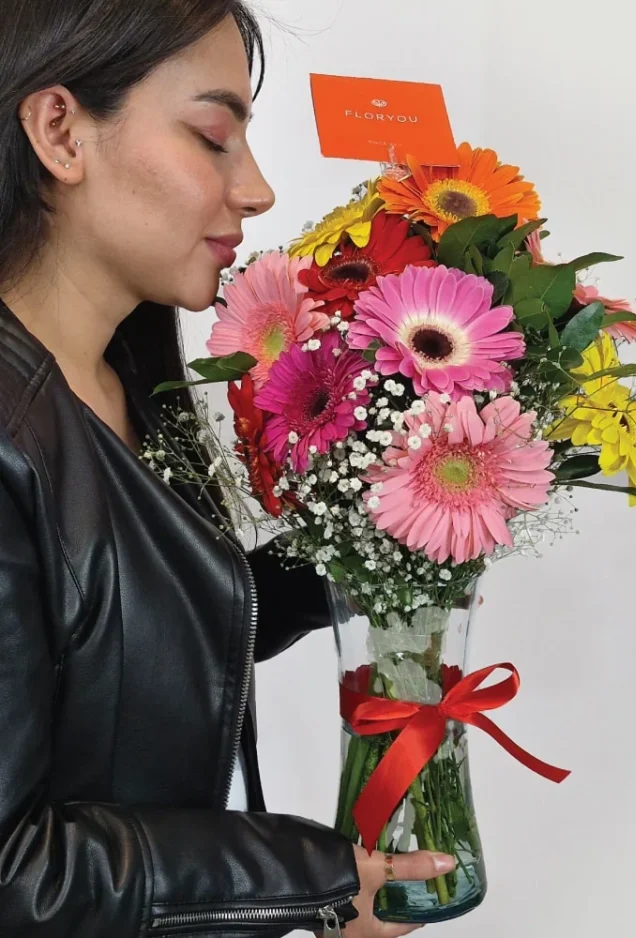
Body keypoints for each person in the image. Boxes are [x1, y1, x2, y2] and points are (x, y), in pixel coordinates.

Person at [0, 2, 457, 935]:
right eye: (213, 137)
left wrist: (391, 527)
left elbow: (130, 635)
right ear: (60, 132)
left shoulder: (126, 373)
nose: (257, 191)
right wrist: (320, 877)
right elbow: (14, 871)